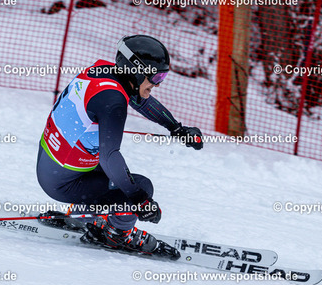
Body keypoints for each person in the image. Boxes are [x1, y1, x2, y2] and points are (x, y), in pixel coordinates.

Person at [35, 35, 203, 255]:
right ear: (137, 71)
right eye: (156, 76)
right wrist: (140, 200)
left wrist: (176, 128)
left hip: (52, 165)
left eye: (162, 76)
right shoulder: (113, 102)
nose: (158, 83)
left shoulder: (102, 72)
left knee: (115, 173)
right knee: (140, 186)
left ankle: (84, 217)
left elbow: (142, 101)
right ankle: (117, 235)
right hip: (63, 182)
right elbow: (109, 156)